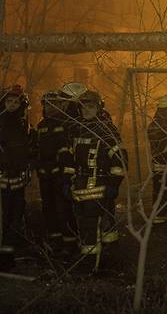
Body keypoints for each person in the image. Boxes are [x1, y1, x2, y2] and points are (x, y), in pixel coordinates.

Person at [67, 90, 127, 272]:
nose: (86, 110)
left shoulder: (106, 130)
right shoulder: (76, 128)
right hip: (79, 187)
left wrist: (113, 185)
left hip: (100, 187)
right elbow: (70, 158)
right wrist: (66, 181)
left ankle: (91, 265)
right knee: (87, 225)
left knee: (94, 225)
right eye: (83, 106)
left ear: (99, 108)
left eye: (91, 106)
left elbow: (120, 160)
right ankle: (106, 259)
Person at [32, 90, 78, 256]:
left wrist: (67, 176)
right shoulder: (41, 126)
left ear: (61, 105)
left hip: (61, 176)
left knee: (64, 210)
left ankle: (70, 244)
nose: (50, 107)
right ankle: (55, 241)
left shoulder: (67, 124)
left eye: (54, 104)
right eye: (47, 104)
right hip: (45, 176)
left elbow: (69, 153)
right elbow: (37, 151)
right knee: (48, 209)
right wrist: (38, 167)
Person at [0, 85, 31, 270]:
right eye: (8, 101)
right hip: (2, 179)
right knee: (3, 217)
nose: (12, 105)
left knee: (15, 216)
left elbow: (28, 150)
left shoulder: (24, 124)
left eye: (15, 102)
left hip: (18, 180)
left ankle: (7, 256)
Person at [146, 94, 167, 232]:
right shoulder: (157, 125)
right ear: (166, 109)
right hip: (161, 165)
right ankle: (158, 221)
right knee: (160, 193)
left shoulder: (161, 124)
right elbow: (162, 144)